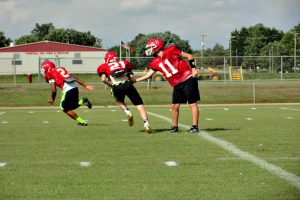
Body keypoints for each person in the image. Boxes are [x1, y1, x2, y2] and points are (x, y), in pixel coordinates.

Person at [135, 38, 200, 133]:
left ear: (156, 47)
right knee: (174, 106)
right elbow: (148, 75)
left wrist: (193, 68)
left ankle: (195, 127)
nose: (148, 50)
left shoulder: (171, 50)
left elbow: (189, 56)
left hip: (187, 78)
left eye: (150, 47)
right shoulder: (155, 62)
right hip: (177, 83)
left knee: (192, 103)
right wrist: (135, 80)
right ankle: (174, 127)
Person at [97, 51, 152, 134]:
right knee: (139, 104)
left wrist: (112, 85)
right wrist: (133, 82)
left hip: (116, 86)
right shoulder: (124, 63)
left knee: (119, 101)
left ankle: (128, 112)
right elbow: (132, 78)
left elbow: (103, 79)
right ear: (116, 58)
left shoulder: (104, 66)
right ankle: (146, 124)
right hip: (128, 84)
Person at [41, 60, 94, 126]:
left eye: (44, 70)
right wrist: (85, 85)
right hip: (74, 87)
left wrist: (52, 100)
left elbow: (54, 90)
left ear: (47, 68)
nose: (43, 72)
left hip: (67, 89)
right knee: (72, 106)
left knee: (63, 107)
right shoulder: (61, 69)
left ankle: (82, 122)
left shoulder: (49, 73)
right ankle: (83, 101)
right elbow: (73, 77)